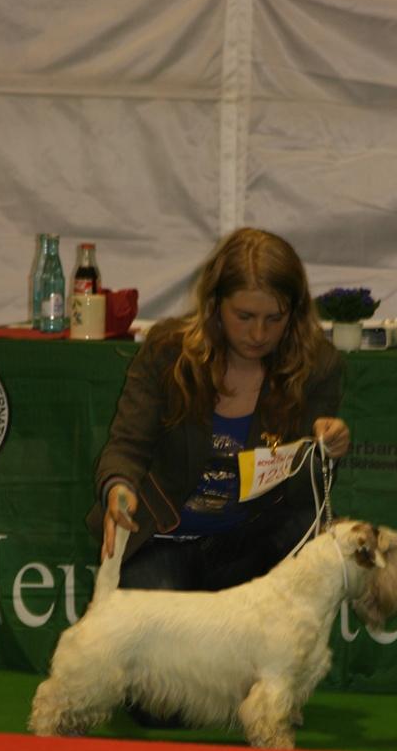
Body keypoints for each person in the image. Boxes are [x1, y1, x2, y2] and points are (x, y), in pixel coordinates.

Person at [87, 226, 350, 594]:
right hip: (166, 539)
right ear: (214, 304)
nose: (258, 333)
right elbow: (126, 447)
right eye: (244, 316)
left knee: (303, 543)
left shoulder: (317, 366)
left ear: (294, 312)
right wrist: (119, 488)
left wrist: (326, 452)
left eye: (274, 319)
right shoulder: (167, 352)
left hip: (254, 540)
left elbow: (304, 498)